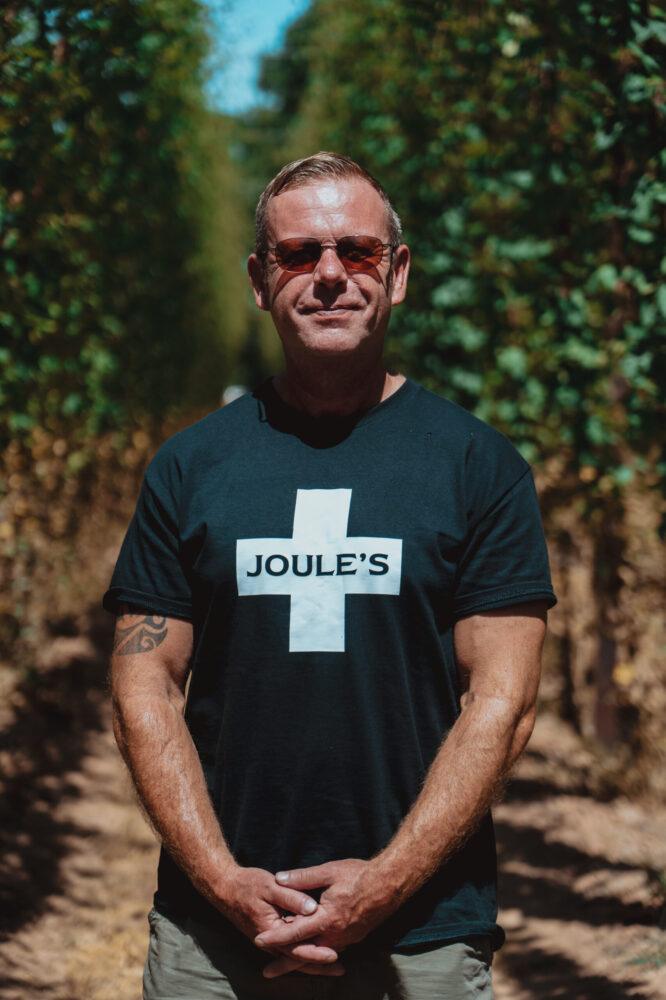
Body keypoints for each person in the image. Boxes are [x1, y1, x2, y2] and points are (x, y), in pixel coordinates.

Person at [103, 151, 557, 999]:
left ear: (398, 273)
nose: (330, 275)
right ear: (258, 278)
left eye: (358, 250)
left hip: (423, 932)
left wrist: (383, 884)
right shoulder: (189, 467)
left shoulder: (479, 467)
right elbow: (143, 688)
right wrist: (224, 881)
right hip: (213, 936)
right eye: (298, 253)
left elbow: (504, 702)